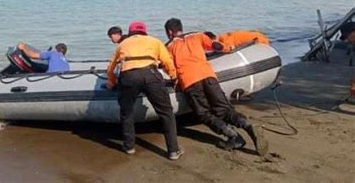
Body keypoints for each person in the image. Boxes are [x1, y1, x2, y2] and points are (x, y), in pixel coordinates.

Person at [164, 18, 269, 156]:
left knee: (204, 113)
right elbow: (216, 46)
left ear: (169, 32)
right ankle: (247, 125)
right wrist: (229, 48)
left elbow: (168, 65)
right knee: (223, 109)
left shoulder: (169, 46)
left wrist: (174, 79)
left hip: (189, 81)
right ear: (181, 28)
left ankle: (233, 136)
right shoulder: (197, 35)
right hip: (208, 76)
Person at [107, 21, 183, 160]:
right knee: (166, 113)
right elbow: (167, 61)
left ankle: (129, 147)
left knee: (126, 112)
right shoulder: (154, 41)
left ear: (130, 33)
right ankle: (173, 151)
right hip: (150, 75)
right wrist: (173, 77)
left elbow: (111, 66)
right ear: (144, 31)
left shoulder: (123, 44)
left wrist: (111, 82)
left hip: (128, 76)